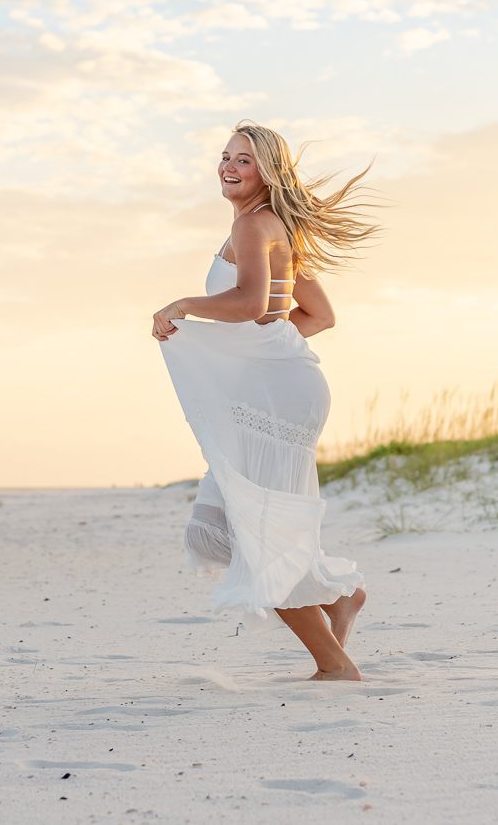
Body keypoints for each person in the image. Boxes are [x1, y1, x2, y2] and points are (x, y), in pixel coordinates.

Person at [151, 120, 385, 680]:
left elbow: (252, 303)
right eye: (226, 157)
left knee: (257, 535)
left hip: (277, 401)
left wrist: (183, 305)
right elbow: (315, 317)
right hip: (284, 391)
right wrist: (257, 355)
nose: (229, 167)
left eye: (244, 161)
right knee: (225, 527)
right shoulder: (269, 227)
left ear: (267, 172)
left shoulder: (256, 226)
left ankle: (335, 665)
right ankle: (338, 599)